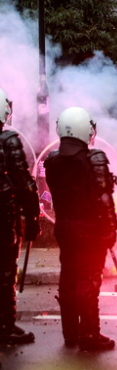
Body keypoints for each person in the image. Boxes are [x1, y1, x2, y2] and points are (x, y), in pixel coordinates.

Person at [44, 107, 117, 351]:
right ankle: (90, 334)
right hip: (90, 231)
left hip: (64, 228)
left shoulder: (52, 161)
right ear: (86, 130)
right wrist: (111, 230)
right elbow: (104, 200)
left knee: (68, 278)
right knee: (88, 281)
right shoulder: (93, 159)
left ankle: (71, 333)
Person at [0, 89, 40, 345]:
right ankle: (5, 326)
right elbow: (24, 183)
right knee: (4, 272)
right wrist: (32, 216)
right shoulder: (7, 140)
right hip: (3, 217)